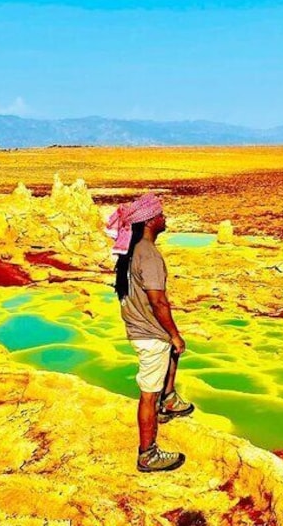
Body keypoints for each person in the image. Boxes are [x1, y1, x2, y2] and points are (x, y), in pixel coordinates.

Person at [107, 192, 195, 472]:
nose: (164, 217)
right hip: (149, 334)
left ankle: (168, 400)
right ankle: (148, 454)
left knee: (172, 354)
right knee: (148, 394)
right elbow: (158, 301)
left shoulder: (131, 251)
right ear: (149, 221)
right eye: (160, 214)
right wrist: (174, 333)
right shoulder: (149, 254)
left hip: (140, 329)